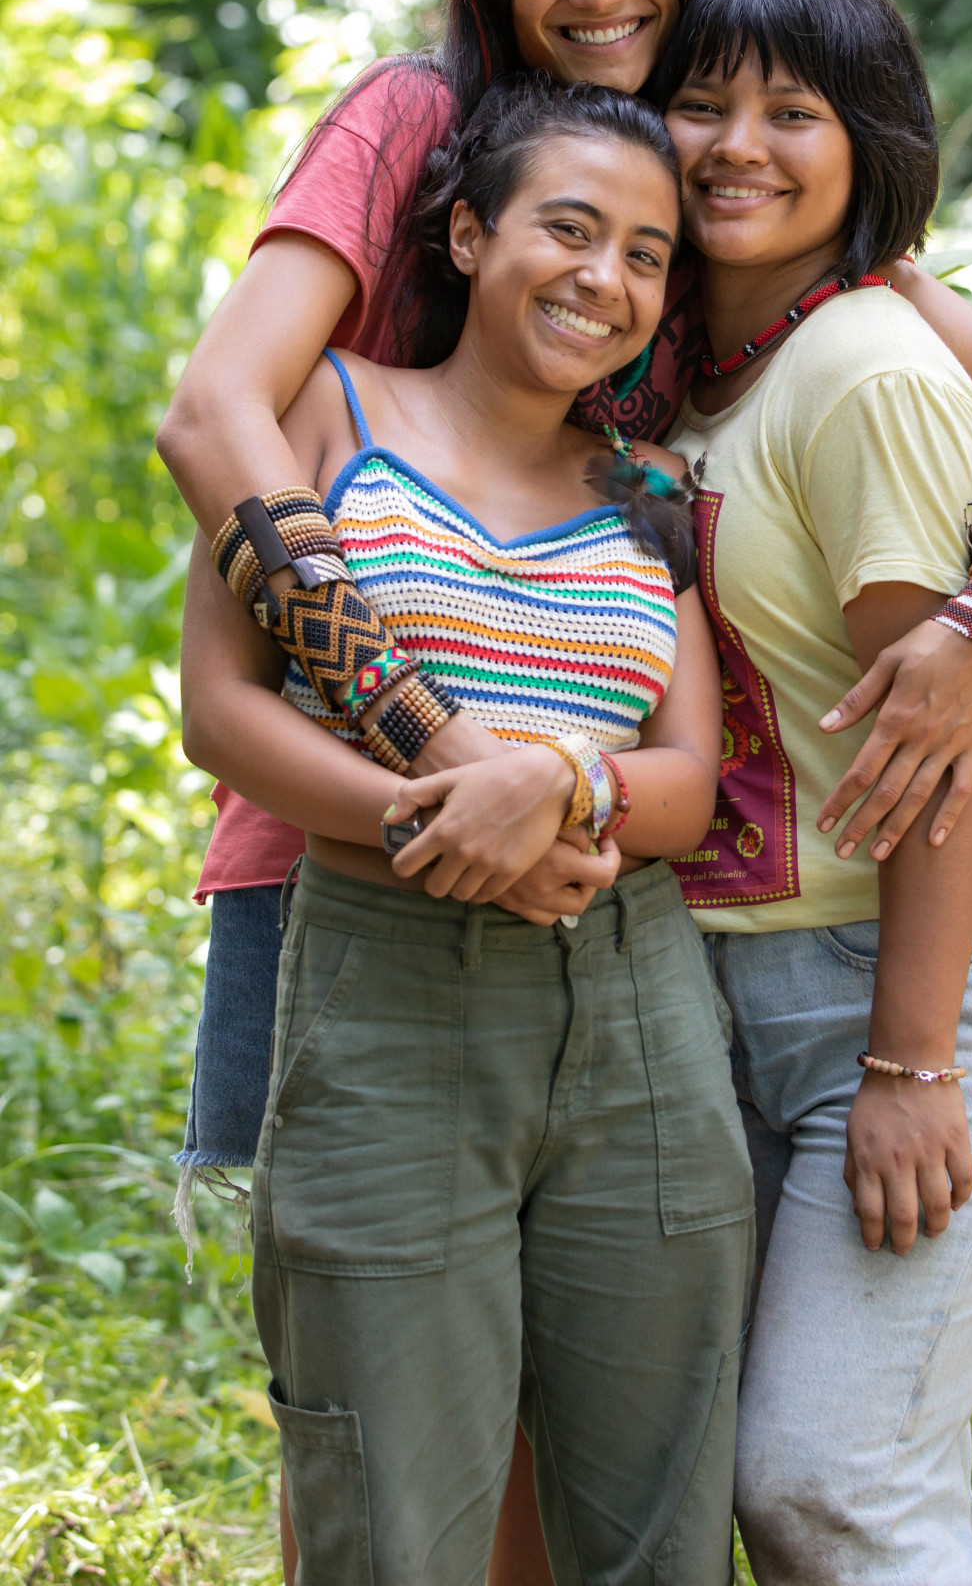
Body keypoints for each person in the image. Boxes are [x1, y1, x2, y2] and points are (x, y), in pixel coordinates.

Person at [157, 0, 972, 1220]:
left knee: (582, 1362)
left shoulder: (703, 176)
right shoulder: (413, 119)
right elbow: (214, 407)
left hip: (602, 848)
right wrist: (443, 751)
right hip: (348, 822)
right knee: (377, 1352)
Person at [181, 77, 755, 1586]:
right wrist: (438, 818)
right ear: (465, 229)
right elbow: (222, 709)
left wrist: (564, 786)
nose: (605, 278)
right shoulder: (330, 407)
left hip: (635, 1012)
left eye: (646, 254)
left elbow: (690, 777)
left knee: (656, 1526)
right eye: (568, 229)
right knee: (391, 1518)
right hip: (386, 993)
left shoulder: (648, 493)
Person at [647, 0, 972, 1584]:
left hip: (940, 984)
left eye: (793, 110)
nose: (737, 145)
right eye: (700, 105)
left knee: (829, 1486)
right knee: (801, 1502)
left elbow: (945, 742)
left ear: (871, 147)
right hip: (748, 996)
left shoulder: (858, 368)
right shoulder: (698, 380)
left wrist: (914, 1064)